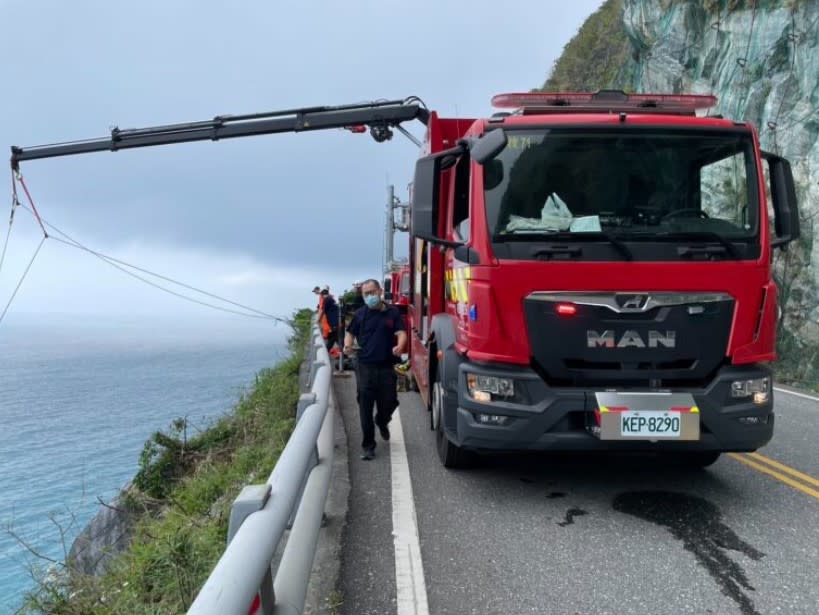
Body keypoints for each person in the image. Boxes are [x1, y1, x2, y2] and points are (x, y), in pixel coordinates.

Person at [343, 278, 407, 460]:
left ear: (380, 291)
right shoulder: (360, 314)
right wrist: (348, 346)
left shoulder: (392, 313)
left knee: (390, 402)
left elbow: (401, 333)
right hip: (365, 366)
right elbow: (350, 333)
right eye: (366, 294)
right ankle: (368, 446)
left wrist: (400, 346)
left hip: (387, 366)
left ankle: (382, 420)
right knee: (365, 406)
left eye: (372, 292)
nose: (370, 296)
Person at [317, 288, 339, 352]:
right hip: (336, 321)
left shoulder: (326, 300)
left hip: (334, 322)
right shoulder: (332, 299)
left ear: (323, 295)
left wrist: (318, 320)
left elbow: (323, 311)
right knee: (335, 337)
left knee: (333, 337)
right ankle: (343, 353)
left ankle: (326, 352)